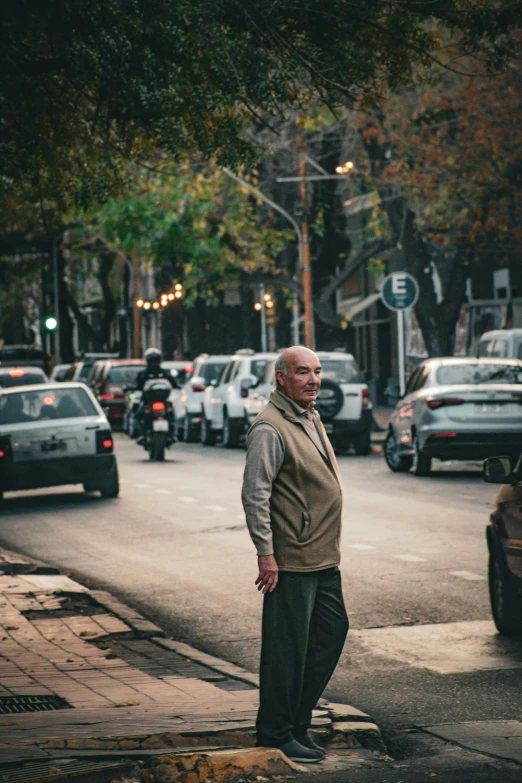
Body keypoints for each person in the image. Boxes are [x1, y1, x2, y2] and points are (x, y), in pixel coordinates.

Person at [241, 346, 349, 764]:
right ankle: (275, 731)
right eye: (303, 372)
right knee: (287, 650)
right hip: (293, 560)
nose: (314, 380)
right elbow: (256, 493)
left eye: (317, 372)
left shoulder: (308, 415)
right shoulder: (270, 427)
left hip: (322, 556)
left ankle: (297, 721)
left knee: (330, 633)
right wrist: (266, 555)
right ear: (282, 378)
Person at [135, 348, 175, 442]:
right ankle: (142, 434)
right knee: (137, 415)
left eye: (155, 360)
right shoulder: (143, 374)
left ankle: (172, 434)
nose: (154, 363)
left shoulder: (165, 373)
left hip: (163, 401)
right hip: (148, 402)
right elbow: (137, 386)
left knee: (171, 413)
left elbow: (174, 384)